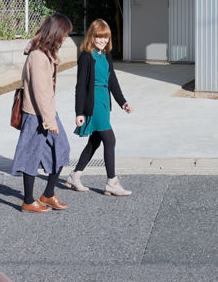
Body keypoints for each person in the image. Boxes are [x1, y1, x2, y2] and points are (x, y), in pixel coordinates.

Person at [11, 13, 73, 213]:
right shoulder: (38, 56)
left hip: (46, 112)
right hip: (36, 114)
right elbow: (40, 91)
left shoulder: (46, 53)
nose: (65, 39)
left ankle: (48, 194)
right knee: (31, 155)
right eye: (64, 34)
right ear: (55, 33)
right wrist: (49, 119)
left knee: (61, 149)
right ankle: (28, 201)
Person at [67, 19, 134, 196]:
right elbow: (80, 86)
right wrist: (79, 112)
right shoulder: (86, 56)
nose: (103, 41)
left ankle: (75, 175)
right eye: (99, 37)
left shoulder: (106, 55)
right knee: (109, 139)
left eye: (105, 37)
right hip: (93, 102)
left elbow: (112, 80)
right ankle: (112, 182)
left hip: (104, 102)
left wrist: (123, 102)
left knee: (95, 141)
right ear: (92, 36)